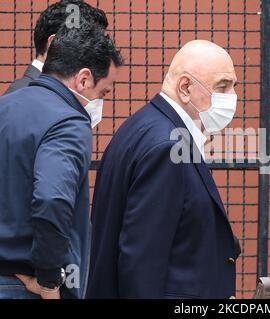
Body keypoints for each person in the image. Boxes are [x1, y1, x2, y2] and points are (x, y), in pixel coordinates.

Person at [86, 40, 241, 299]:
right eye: (222, 87)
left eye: (233, 86)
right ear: (185, 87)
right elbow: (142, 260)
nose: (231, 97)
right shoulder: (167, 147)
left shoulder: (143, 127)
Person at [0, 25, 123, 299]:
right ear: (83, 79)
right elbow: (51, 200)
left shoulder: (5, 106)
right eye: (103, 92)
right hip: (25, 287)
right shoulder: (69, 122)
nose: (100, 101)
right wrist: (49, 282)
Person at [3, 0, 108, 95]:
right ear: (54, 44)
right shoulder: (28, 95)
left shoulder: (33, 92)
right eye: (87, 46)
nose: (94, 57)